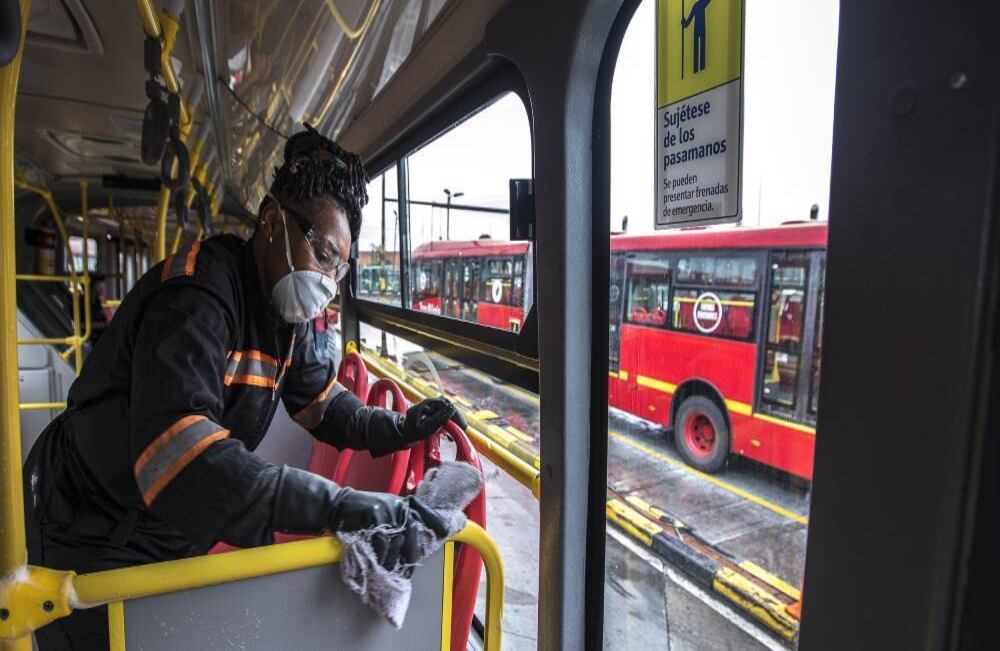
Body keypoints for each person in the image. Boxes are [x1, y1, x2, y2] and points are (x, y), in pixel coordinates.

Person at [22, 126, 465, 649]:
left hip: (165, 523)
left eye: (339, 269)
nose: (328, 282)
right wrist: (336, 505)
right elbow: (180, 454)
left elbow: (320, 401)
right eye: (322, 253)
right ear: (272, 220)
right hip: (92, 517)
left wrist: (397, 428)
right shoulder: (197, 297)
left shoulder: (284, 314)